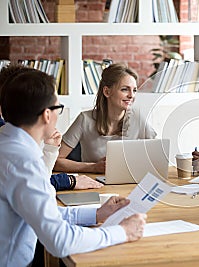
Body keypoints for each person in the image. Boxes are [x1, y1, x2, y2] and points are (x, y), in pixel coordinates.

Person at [0, 68, 147, 266]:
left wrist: (96, 214)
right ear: (46, 115)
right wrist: (123, 232)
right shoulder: (23, 161)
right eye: (58, 108)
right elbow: (60, 240)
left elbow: (43, 211)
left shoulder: (8, 146)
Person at [0, 64, 103, 190]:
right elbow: (35, 186)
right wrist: (69, 180)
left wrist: (50, 150)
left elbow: (39, 184)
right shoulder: (16, 150)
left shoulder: (18, 139)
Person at [54, 63, 157, 173]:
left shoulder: (138, 119)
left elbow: (157, 156)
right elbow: (56, 161)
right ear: (107, 92)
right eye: (125, 89)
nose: (131, 95)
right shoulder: (85, 119)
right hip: (93, 183)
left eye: (134, 90)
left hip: (128, 183)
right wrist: (92, 167)